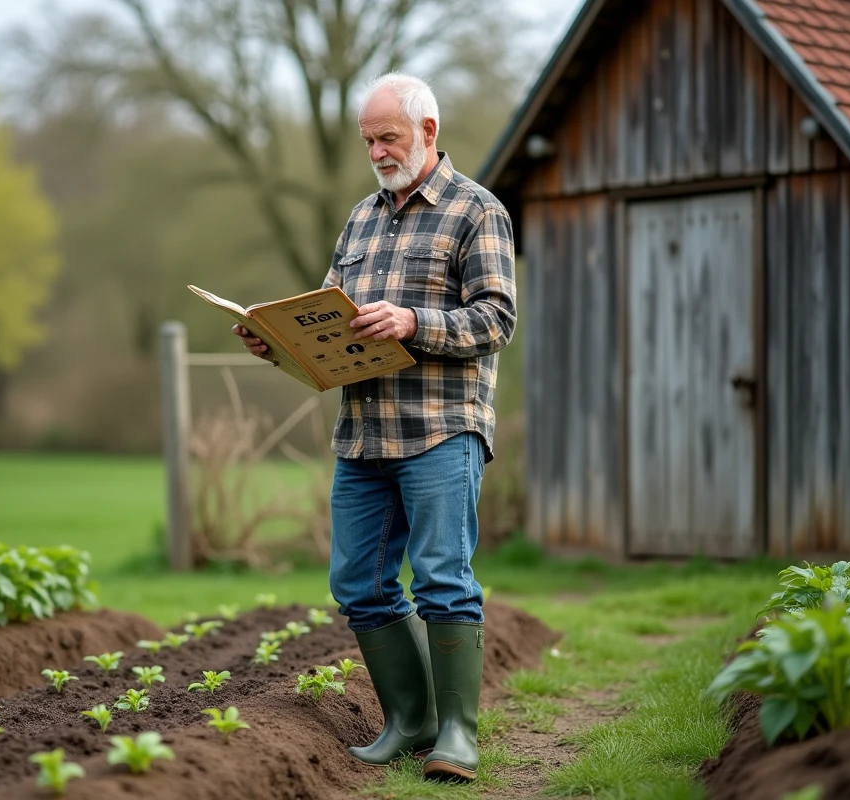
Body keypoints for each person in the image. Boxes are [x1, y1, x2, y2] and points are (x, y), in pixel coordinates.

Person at [233, 71, 517, 782]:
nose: (377, 152)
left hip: (440, 428)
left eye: (388, 137)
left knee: (443, 580)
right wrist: (280, 345)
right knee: (358, 583)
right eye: (368, 141)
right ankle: (411, 720)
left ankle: (457, 734)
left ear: (428, 131)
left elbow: (496, 319)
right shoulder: (360, 220)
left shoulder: (476, 211)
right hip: (362, 433)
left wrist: (415, 322)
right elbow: (331, 331)